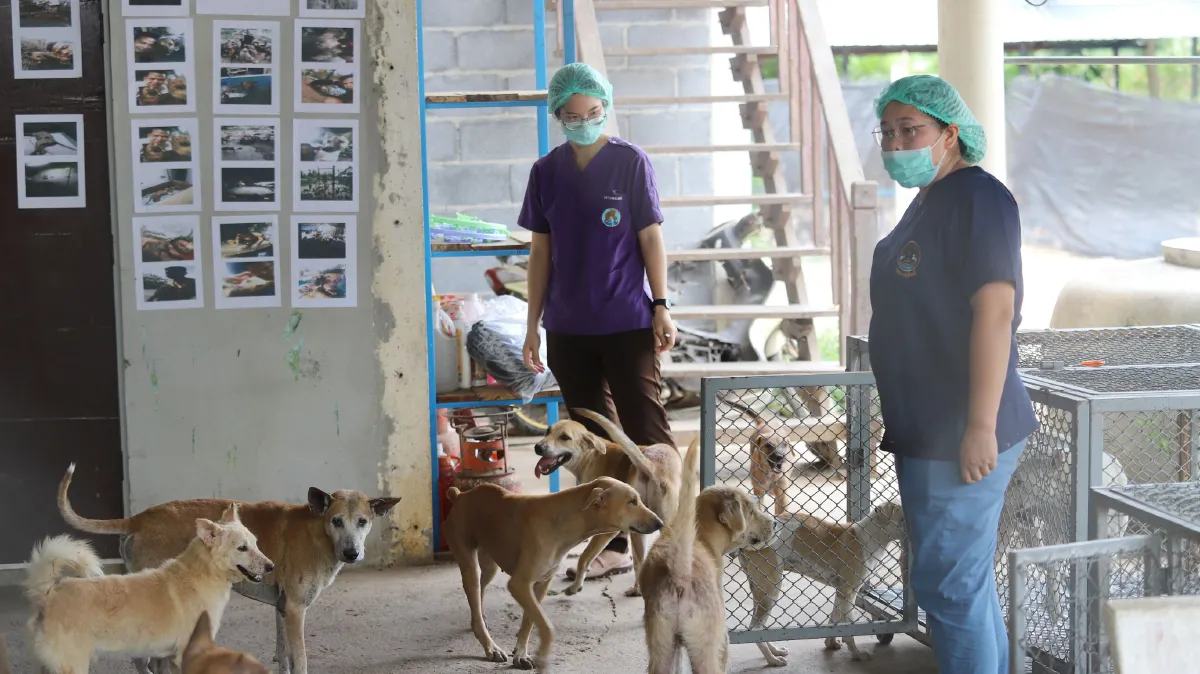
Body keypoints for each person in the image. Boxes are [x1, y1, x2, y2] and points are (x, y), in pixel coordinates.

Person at [868, 74, 1039, 674]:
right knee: (958, 581)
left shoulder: (980, 198)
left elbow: (995, 313)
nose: (895, 142)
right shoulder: (928, 201)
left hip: (961, 427)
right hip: (924, 429)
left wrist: (980, 425)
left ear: (952, 133)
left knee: (948, 584)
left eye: (910, 129)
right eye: (887, 132)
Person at [518, 62, 677, 581]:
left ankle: (671, 541)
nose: (584, 121)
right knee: (585, 441)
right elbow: (540, 253)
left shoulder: (631, 162)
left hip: (627, 320)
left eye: (594, 112)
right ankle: (608, 544)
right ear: (557, 115)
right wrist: (532, 324)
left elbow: (650, 237)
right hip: (568, 326)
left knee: (645, 434)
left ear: (605, 109)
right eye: (573, 114)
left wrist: (661, 303)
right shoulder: (546, 172)